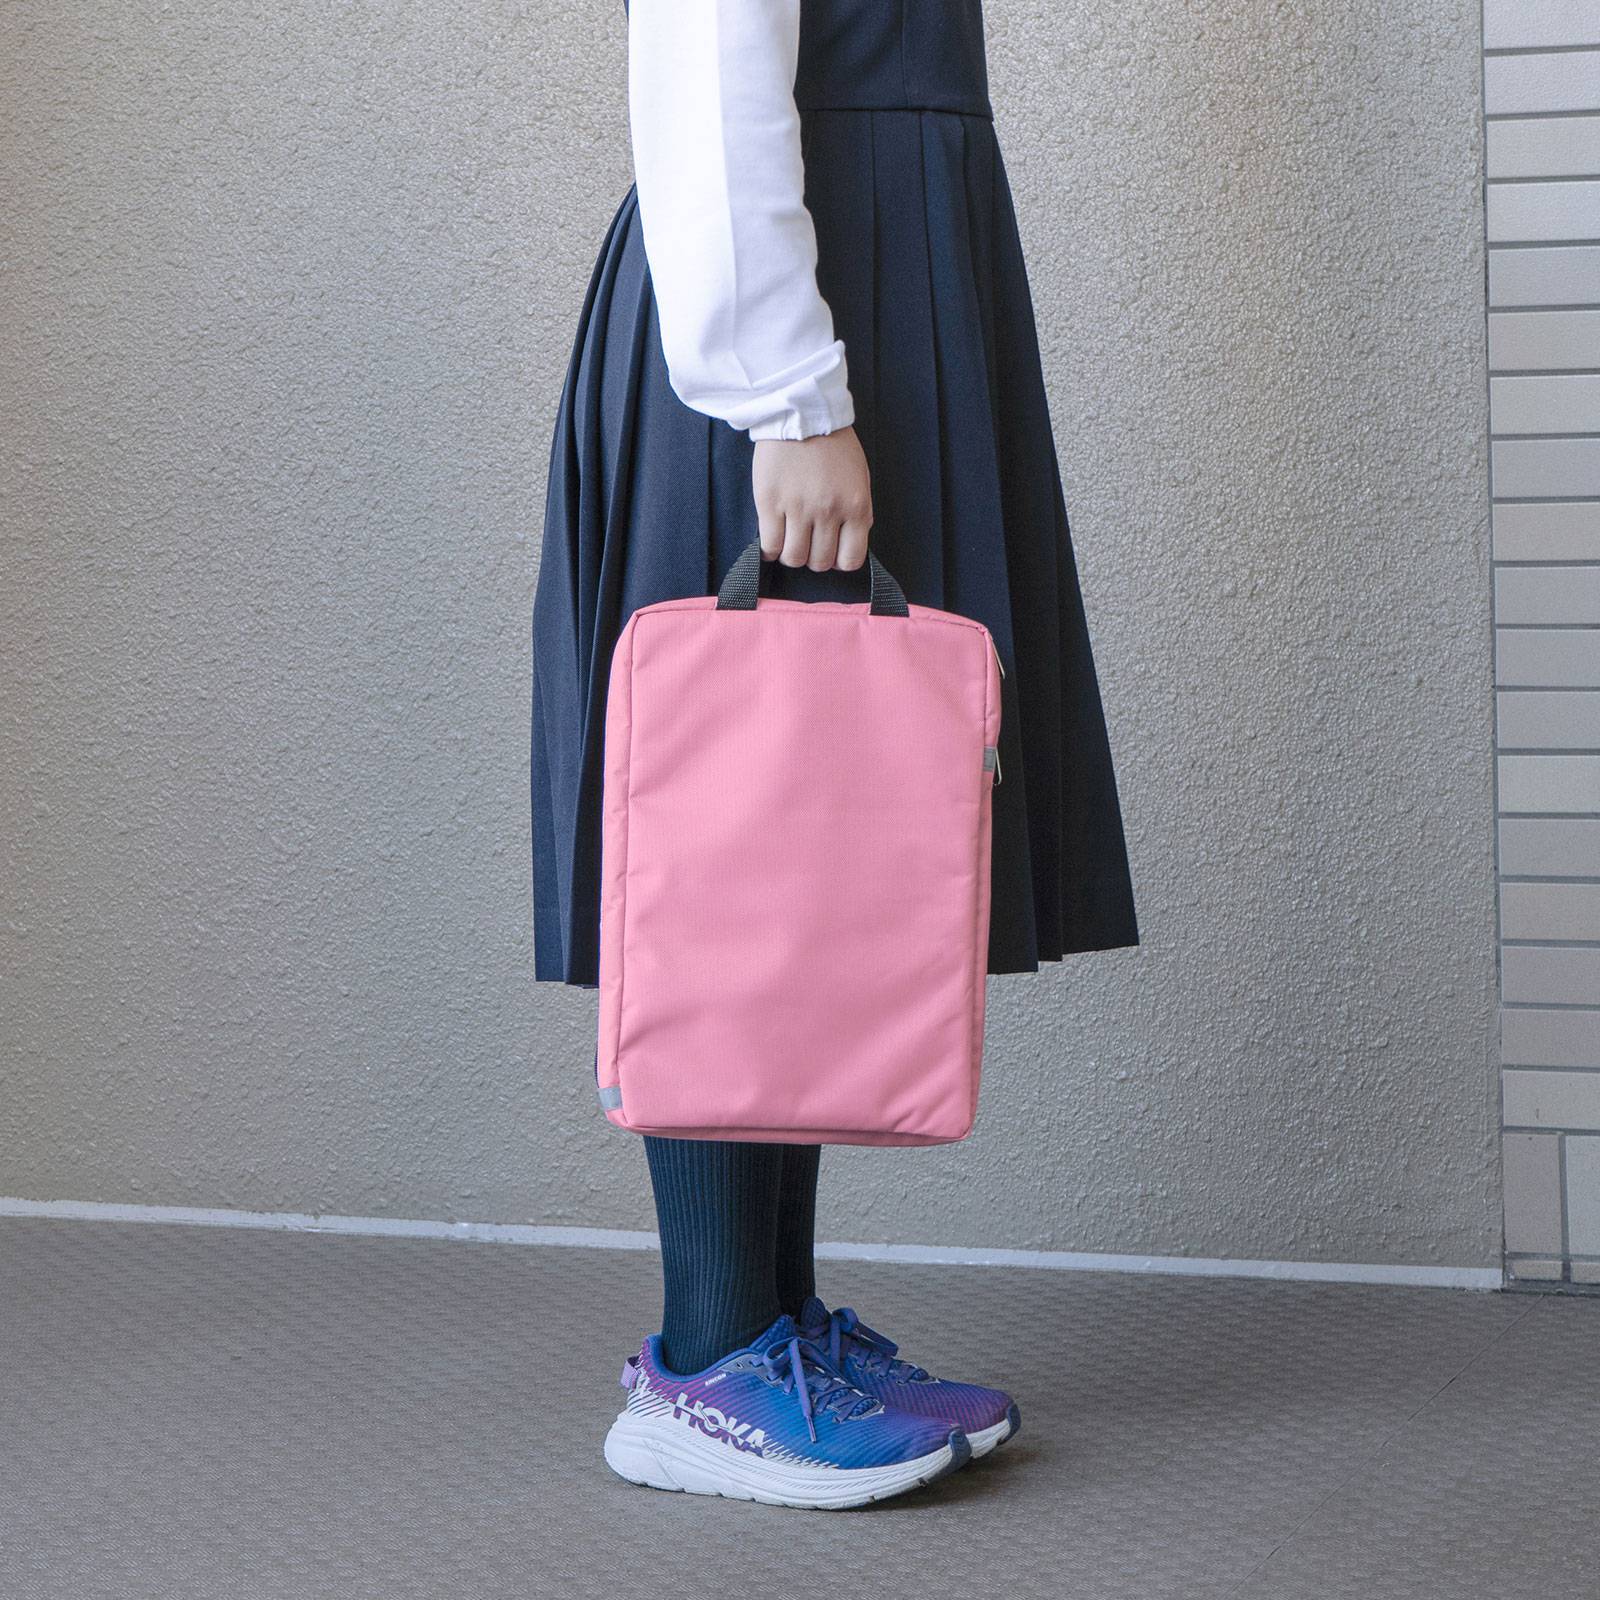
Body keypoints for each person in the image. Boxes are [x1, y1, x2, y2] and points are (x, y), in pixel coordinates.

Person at [530, 0, 1138, 1508]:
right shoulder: (785, 374)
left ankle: (773, 1323)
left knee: (807, 845)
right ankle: (707, 1359)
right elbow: (709, 55)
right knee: (733, 842)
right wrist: (787, 400)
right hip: (789, 328)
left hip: (869, 273)